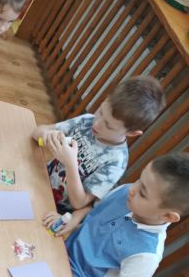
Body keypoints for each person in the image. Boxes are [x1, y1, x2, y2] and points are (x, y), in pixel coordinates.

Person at [59, 152, 189, 277]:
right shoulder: (126, 192)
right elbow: (94, 208)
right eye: (139, 179)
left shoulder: (147, 254)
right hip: (62, 250)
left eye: (143, 193)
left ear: (168, 216)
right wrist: (75, 217)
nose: (133, 189)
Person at [32, 76, 166, 214]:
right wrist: (47, 135)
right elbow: (37, 132)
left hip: (54, 210)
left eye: (108, 126)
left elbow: (79, 203)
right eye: (100, 112)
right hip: (38, 177)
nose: (96, 124)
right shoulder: (86, 121)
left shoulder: (116, 162)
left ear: (131, 133)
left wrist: (70, 164)